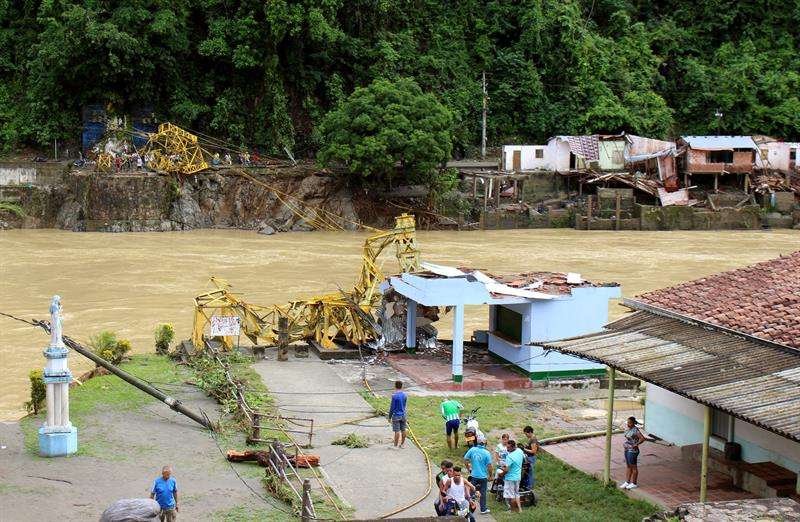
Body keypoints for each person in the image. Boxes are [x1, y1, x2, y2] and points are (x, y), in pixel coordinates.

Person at [464, 434, 493, 514]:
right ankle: (483, 509)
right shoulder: (487, 453)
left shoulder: (472, 449)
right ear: (485, 443)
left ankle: (469, 509)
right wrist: (491, 475)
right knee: (483, 493)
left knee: (471, 492)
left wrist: (468, 468)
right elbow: (490, 466)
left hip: (474, 475)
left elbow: (465, 459)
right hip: (483, 476)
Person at [620, 416, 646, 490]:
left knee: (633, 467)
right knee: (628, 466)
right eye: (628, 422)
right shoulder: (628, 429)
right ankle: (627, 482)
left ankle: (634, 483)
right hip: (627, 449)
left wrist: (636, 444)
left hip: (633, 451)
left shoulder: (635, 430)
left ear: (633, 423)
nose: (628, 424)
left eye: (630, 423)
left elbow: (643, 438)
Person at [500, 440, 524, 513]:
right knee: (517, 493)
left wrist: (501, 474)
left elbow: (506, 470)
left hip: (510, 478)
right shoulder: (520, 451)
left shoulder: (509, 457)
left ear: (513, 447)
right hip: (518, 476)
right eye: (507, 447)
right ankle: (520, 509)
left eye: (509, 448)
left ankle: (512, 511)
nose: (507, 449)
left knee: (511, 495)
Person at [388, 380, 407, 448]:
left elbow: (392, 408)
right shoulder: (405, 395)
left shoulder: (394, 396)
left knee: (397, 431)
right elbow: (404, 406)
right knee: (403, 430)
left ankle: (395, 445)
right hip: (403, 415)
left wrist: (389, 417)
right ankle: (402, 444)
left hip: (396, 416)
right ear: (402, 386)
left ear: (395, 386)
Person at [521, 426, 539, 490]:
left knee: (530, 473)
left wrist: (524, 449)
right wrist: (527, 446)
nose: (526, 435)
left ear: (530, 432)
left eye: (526, 434)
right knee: (527, 472)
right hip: (529, 457)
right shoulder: (531, 438)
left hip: (531, 458)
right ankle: (526, 485)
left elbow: (534, 451)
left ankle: (529, 487)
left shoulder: (533, 440)